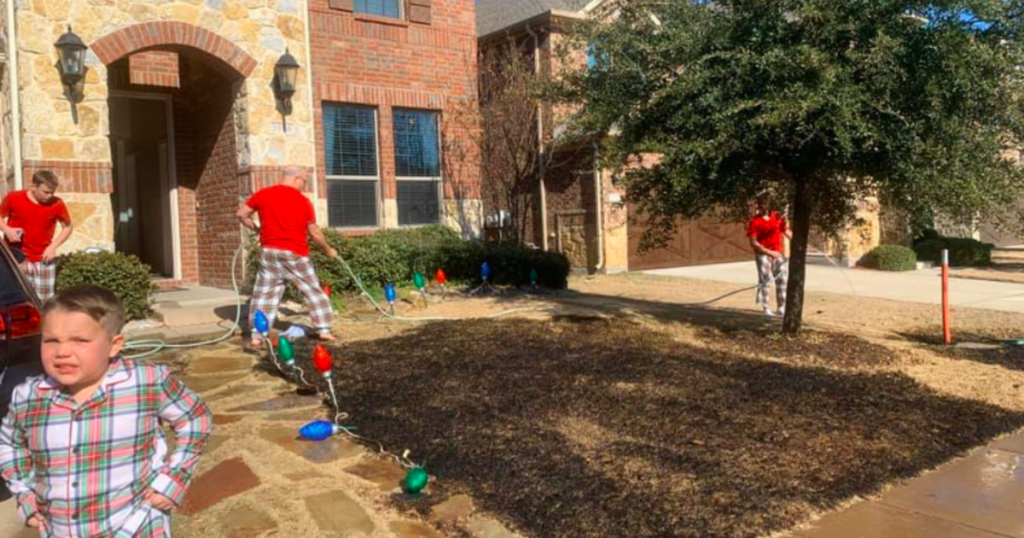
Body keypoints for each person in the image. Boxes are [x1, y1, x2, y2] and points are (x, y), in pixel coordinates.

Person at [0, 285, 212, 537]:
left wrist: (174, 479)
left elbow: (195, 418)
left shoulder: (145, 382)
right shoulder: (28, 396)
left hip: (137, 525)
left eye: (80, 340)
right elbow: (9, 444)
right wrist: (25, 493)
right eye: (51, 340)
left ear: (114, 345)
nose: (62, 352)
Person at [237, 165, 338, 348]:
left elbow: (241, 214)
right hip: (295, 253)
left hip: (269, 252)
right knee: (313, 291)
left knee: (264, 294)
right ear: (296, 179)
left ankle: (257, 335)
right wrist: (328, 249)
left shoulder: (263, 194)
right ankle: (323, 330)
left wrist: (258, 229)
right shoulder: (303, 201)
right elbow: (314, 233)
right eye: (304, 181)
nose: (304, 185)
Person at [0, 170, 73, 301]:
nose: (50, 196)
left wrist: (53, 247)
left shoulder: (57, 204)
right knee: (18, 302)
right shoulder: (13, 198)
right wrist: (6, 229)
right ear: (33, 186)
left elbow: (67, 227)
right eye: (46, 192)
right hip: (17, 259)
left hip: (43, 260)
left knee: (44, 303)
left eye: (52, 192)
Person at [748, 205, 793, 317]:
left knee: (782, 280)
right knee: (766, 281)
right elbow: (753, 242)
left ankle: (781, 307)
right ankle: (766, 308)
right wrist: (769, 252)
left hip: (777, 253)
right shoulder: (755, 221)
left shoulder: (776, 217)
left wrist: (799, 241)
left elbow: (786, 231)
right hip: (763, 254)